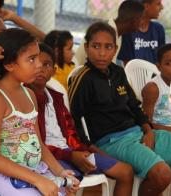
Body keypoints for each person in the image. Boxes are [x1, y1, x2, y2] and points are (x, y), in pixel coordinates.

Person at [69, 21, 171, 196]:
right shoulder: (82, 79)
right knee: (162, 174)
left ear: (115, 49)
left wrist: (148, 131)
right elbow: (75, 121)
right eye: (96, 46)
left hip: (138, 133)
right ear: (86, 47)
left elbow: (134, 106)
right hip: (112, 142)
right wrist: (93, 150)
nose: (101, 53)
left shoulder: (117, 72)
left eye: (108, 47)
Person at [29, 42, 134, 196]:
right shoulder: (25, 98)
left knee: (126, 171)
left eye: (46, 64)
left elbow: (71, 131)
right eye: (36, 62)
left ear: (53, 70)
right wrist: (71, 156)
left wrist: (81, 151)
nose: (40, 68)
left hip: (71, 153)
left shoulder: (55, 97)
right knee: (68, 183)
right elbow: (36, 143)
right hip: (49, 159)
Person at [0, 28, 79, 196]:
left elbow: (39, 145)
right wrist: (38, 180)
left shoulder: (30, 95)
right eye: (31, 59)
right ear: (9, 65)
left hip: (29, 170)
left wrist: (60, 172)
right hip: (0, 175)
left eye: (37, 56)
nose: (39, 65)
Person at [74, 0, 144, 65]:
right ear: (134, 20)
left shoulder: (118, 33)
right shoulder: (106, 33)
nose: (142, 22)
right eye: (141, 18)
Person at [142, 43, 171, 132]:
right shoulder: (153, 89)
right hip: (159, 133)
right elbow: (146, 124)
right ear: (159, 67)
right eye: (168, 63)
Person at [117, 0, 165, 64]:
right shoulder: (128, 31)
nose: (162, 7)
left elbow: (162, 58)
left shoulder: (158, 29)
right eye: (158, 4)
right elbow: (127, 63)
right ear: (146, 6)